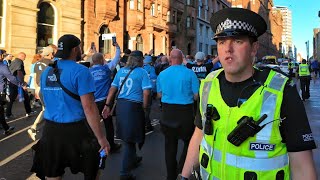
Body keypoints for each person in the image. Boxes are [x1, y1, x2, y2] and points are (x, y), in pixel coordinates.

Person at [180, 8, 317, 180]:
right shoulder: (208, 84)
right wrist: (184, 176)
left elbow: (303, 167)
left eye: (237, 41)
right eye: (222, 42)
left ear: (253, 48)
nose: (228, 49)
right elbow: (199, 134)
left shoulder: (282, 91)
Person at [30, 34, 110, 180]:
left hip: (51, 130)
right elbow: (89, 108)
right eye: (79, 47)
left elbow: (43, 97)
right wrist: (101, 138)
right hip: (77, 130)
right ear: (74, 50)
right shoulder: (81, 71)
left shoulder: (47, 71)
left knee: (53, 173)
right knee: (92, 170)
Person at [102, 50, 152, 180]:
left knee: (128, 135)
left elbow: (113, 89)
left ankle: (133, 159)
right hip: (134, 107)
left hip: (121, 107)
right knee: (129, 140)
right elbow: (146, 92)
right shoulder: (142, 72)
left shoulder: (121, 71)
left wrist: (107, 105)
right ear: (140, 60)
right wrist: (145, 107)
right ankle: (124, 173)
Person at [157, 49, 199, 180]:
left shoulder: (162, 74)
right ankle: (182, 168)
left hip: (168, 112)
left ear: (170, 59)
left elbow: (159, 94)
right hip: (185, 112)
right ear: (182, 59)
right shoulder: (190, 73)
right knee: (189, 142)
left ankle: (170, 175)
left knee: (170, 146)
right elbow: (196, 95)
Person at [90, 42, 122, 153]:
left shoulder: (89, 72)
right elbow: (116, 59)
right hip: (105, 102)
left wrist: (94, 52)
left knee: (94, 124)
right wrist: (117, 47)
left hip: (93, 102)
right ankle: (111, 146)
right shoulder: (106, 68)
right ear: (102, 60)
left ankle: (95, 146)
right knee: (108, 125)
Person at [27, 46, 54, 141]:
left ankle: (44, 130)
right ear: (50, 54)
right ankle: (34, 128)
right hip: (49, 89)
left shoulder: (37, 63)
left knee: (45, 109)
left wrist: (37, 89)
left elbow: (35, 77)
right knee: (48, 109)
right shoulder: (51, 63)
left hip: (39, 88)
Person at [0, 56, 25, 135]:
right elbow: (11, 77)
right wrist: (20, 84)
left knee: (0, 110)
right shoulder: (2, 66)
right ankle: (6, 127)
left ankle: (6, 128)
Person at [7, 52, 36, 118]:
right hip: (18, 83)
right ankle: (28, 111)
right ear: (22, 56)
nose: (25, 58)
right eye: (24, 57)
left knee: (12, 99)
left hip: (13, 82)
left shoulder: (14, 61)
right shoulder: (19, 62)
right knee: (25, 97)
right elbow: (19, 73)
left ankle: (8, 114)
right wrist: (22, 84)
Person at [143, 55, 157, 132]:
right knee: (146, 109)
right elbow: (153, 81)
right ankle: (147, 125)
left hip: (139, 92)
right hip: (148, 91)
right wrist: (154, 91)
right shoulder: (151, 69)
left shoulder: (139, 68)